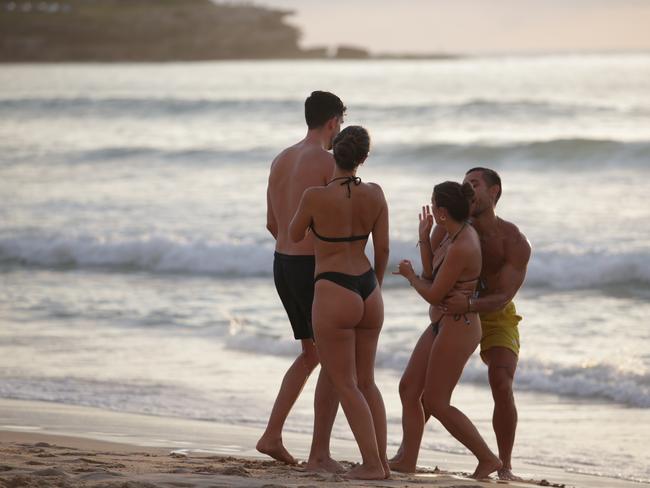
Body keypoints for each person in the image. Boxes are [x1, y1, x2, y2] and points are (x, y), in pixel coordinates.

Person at [390, 167, 531, 481]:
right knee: (414, 389)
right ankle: (407, 455)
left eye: (475, 183)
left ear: (494, 192)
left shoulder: (513, 240)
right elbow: (432, 275)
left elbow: (503, 296)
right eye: (465, 182)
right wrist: (424, 239)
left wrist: (466, 303)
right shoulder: (450, 228)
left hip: (490, 313)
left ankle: (502, 464)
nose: (468, 187)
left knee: (500, 382)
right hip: (450, 315)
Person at [289, 126, 390, 480]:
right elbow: (384, 250)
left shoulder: (315, 196)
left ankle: (373, 466)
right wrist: (375, 284)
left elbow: (294, 233)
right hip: (368, 288)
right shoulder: (376, 194)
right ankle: (383, 461)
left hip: (333, 288)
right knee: (367, 382)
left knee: (344, 382)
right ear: (363, 158)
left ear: (335, 153)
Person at [258, 91, 345, 472]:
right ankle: (319, 453)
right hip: (312, 268)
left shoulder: (281, 158)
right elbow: (344, 222)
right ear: (332, 122)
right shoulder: (328, 162)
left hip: (282, 263)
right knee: (334, 359)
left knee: (312, 355)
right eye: (339, 122)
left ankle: (272, 435)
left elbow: (272, 223)